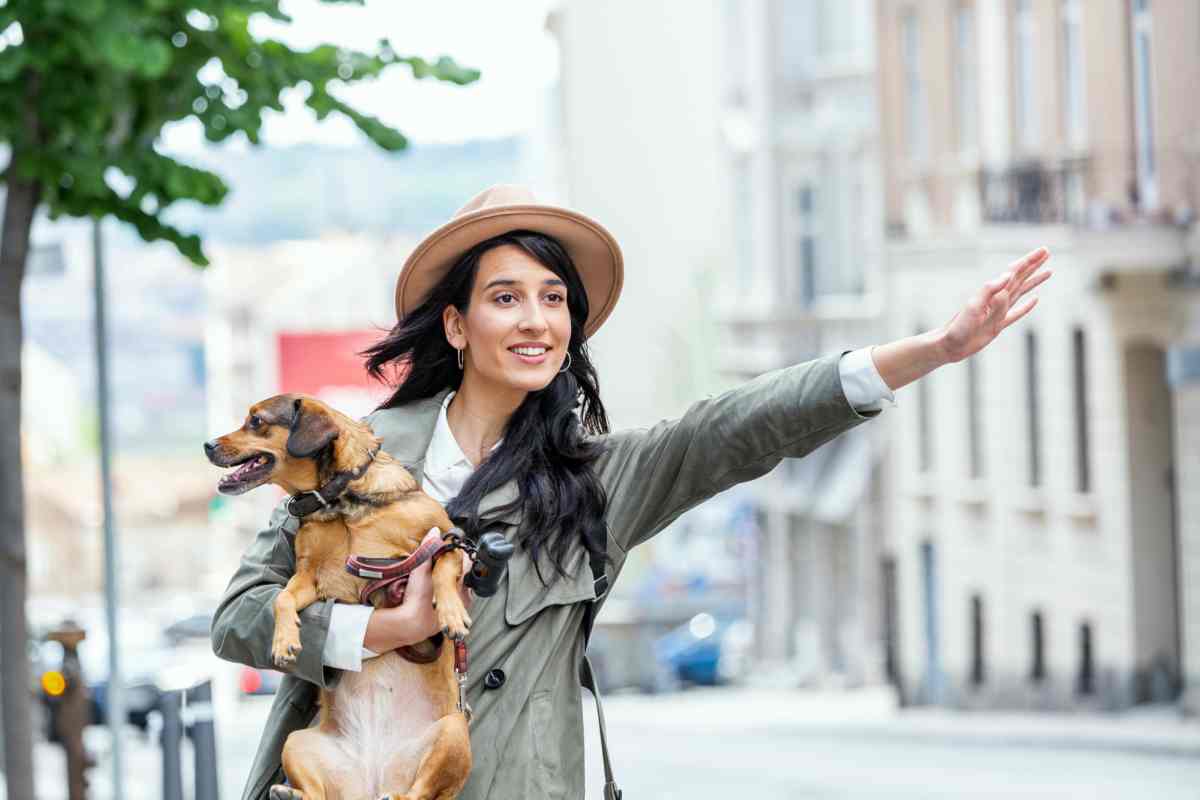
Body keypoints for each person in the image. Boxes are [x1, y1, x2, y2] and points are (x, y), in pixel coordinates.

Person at [211, 184, 1052, 799]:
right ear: (458, 325)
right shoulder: (354, 459)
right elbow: (241, 618)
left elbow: (731, 428)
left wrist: (933, 349)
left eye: (553, 299)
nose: (536, 320)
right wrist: (379, 627)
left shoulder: (597, 480)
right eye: (505, 298)